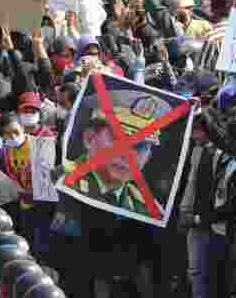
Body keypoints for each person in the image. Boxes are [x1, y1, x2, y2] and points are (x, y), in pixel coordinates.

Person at [63, 89, 171, 218]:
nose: (127, 154)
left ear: (148, 156)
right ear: (89, 138)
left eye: (140, 146)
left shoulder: (149, 210)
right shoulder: (58, 179)